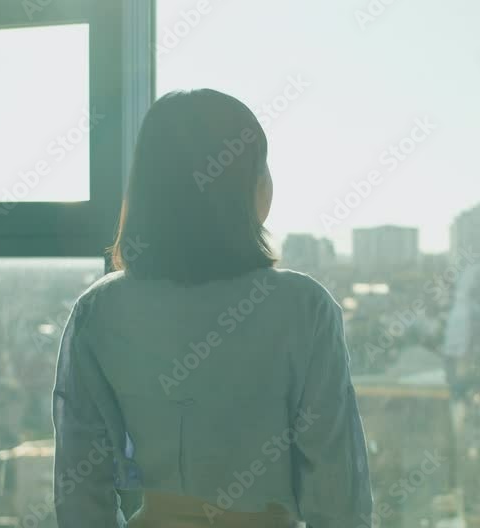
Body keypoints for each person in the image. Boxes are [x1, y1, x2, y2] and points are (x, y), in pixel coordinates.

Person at [52, 89, 373, 528]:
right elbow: (338, 489)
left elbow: (81, 484)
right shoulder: (304, 307)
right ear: (246, 183)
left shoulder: (99, 310)